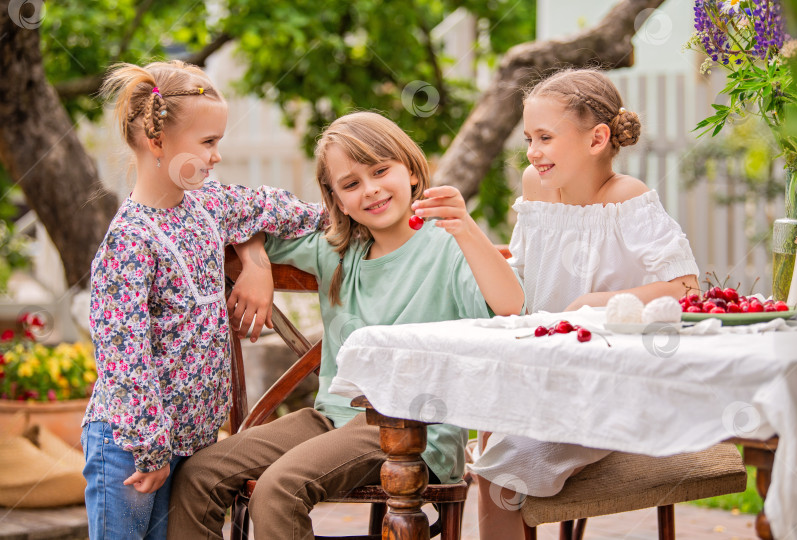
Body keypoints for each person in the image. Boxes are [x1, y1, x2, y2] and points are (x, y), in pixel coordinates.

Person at [167, 111, 524, 539]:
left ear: (411, 171)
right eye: (351, 184)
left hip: (410, 428)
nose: (370, 190)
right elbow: (234, 210)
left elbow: (510, 308)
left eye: (380, 170)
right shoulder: (338, 249)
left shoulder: (446, 246)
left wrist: (466, 228)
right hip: (331, 420)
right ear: (336, 200)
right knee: (199, 475)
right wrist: (257, 262)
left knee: (280, 489)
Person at [82, 60, 324, 540]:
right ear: (157, 142)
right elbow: (123, 357)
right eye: (208, 143)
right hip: (130, 449)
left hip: (188, 444)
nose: (216, 157)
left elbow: (271, 208)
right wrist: (150, 449)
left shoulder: (206, 206)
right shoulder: (130, 241)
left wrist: (341, 214)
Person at [471, 68, 700, 539]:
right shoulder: (536, 188)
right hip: (542, 368)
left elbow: (687, 288)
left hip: (608, 383)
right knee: (488, 429)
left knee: (500, 469)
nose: (533, 152)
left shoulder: (626, 199)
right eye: (529, 138)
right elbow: (523, 273)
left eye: (546, 138)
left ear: (597, 139)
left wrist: (598, 301)